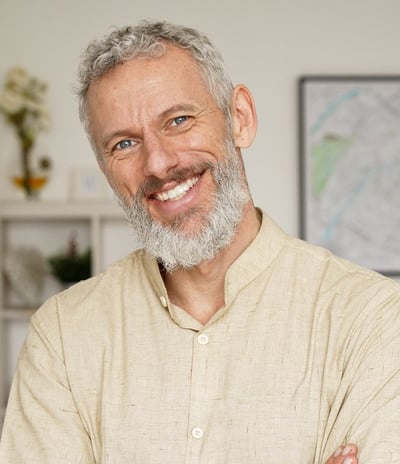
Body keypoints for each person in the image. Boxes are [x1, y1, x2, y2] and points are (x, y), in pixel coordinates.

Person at [0, 20, 399, 464]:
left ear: (240, 119)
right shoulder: (62, 335)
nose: (158, 162)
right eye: (124, 143)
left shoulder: (372, 319)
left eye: (178, 120)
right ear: (106, 169)